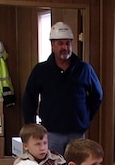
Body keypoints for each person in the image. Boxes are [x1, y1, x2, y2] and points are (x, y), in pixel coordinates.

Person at [22, 22, 103, 155]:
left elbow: (97, 96)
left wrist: (85, 117)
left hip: (77, 133)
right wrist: (31, 127)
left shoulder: (84, 69)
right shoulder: (41, 70)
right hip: (51, 133)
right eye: (60, 43)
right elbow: (29, 98)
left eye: (68, 43)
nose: (65, 47)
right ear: (52, 46)